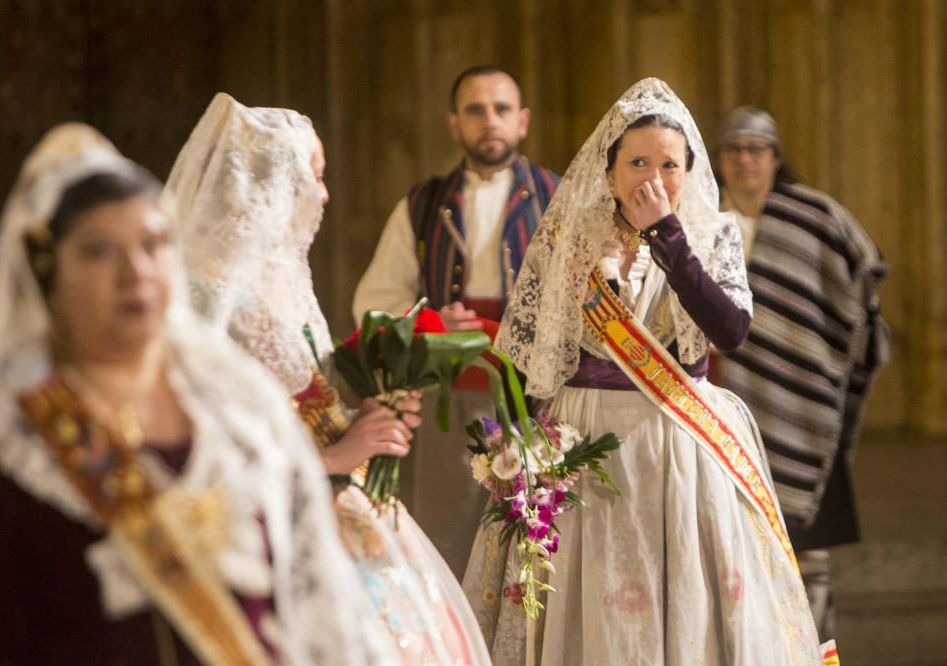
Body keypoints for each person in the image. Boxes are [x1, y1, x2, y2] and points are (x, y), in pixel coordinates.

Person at [0, 124, 397, 665]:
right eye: (98, 251)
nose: (135, 271)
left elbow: (324, 614)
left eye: (152, 243)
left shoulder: (238, 405)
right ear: (47, 271)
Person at [463, 78, 828, 665]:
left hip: (679, 441)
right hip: (584, 439)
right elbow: (530, 353)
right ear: (609, 171)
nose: (652, 178)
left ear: (690, 171)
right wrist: (521, 451)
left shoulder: (712, 235)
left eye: (668, 164)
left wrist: (669, 239)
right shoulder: (569, 240)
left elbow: (731, 330)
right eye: (637, 162)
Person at [167, 93, 491, 666]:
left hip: (338, 497)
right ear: (271, 182)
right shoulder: (204, 295)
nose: (324, 193)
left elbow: (307, 390)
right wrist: (336, 458)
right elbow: (203, 442)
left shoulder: (283, 274)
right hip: (276, 514)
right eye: (314, 176)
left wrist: (374, 405)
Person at [352, 65, 560, 576]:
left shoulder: (559, 199)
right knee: (447, 537)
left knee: (530, 541)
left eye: (502, 109)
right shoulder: (423, 206)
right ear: (454, 124)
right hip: (448, 402)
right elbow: (373, 304)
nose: (490, 120)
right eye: (475, 110)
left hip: (538, 398)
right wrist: (426, 319)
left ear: (523, 120)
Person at [713, 105, 890, 640]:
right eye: (734, 149)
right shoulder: (699, 218)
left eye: (757, 149)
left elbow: (864, 276)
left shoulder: (814, 217)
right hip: (722, 416)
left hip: (805, 413)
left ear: (775, 159)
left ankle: (813, 652)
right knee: (727, 553)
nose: (746, 160)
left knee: (809, 559)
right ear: (718, 160)